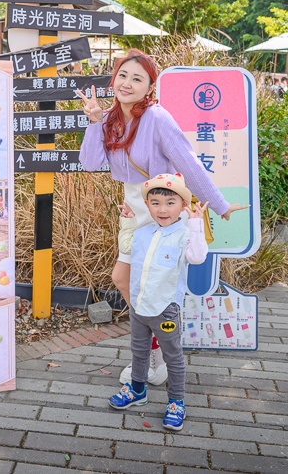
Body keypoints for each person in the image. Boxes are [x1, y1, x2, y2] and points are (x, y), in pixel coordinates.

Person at [77, 49, 248, 386]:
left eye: (137, 79)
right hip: (133, 210)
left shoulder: (157, 118)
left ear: (149, 87)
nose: (127, 83)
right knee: (127, 281)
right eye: (122, 75)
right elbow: (90, 162)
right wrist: (95, 121)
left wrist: (219, 204)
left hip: (162, 213)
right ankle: (158, 352)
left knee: (143, 285)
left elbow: (188, 164)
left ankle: (159, 357)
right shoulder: (110, 116)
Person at [107, 173, 208, 432]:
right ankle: (138, 390)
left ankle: (176, 402)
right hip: (140, 308)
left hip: (165, 310)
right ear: (148, 205)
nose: (162, 209)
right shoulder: (144, 233)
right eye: (155, 203)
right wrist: (127, 221)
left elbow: (197, 257)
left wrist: (196, 224)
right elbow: (127, 247)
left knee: (173, 357)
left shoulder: (184, 235)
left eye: (170, 202)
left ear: (183, 206)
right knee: (139, 352)